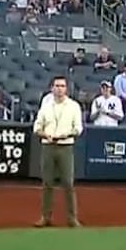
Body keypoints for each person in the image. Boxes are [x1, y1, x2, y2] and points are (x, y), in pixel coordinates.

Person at [33, 75, 83, 228]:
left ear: (66, 89)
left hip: (65, 145)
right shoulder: (46, 106)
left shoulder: (74, 106)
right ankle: (45, 217)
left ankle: (72, 218)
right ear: (52, 88)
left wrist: (65, 135)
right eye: (57, 86)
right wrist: (45, 135)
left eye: (62, 86)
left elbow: (78, 128)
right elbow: (37, 127)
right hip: (48, 145)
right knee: (47, 183)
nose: (59, 89)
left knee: (68, 183)